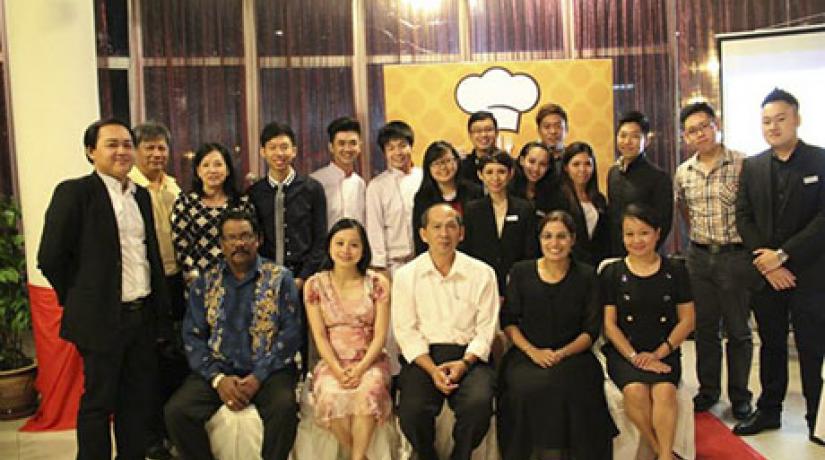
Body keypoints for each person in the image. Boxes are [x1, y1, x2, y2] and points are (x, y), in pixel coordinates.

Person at [37, 118, 171, 460]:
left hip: (141, 317)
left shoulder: (140, 196)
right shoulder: (75, 193)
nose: (122, 151)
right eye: (112, 144)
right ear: (90, 151)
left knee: (136, 403)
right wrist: (82, 298)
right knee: (98, 403)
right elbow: (51, 258)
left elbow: (149, 255)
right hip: (101, 319)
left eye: (127, 144)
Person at [164, 210, 303, 460]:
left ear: (257, 239)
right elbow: (192, 337)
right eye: (231, 238)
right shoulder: (205, 283)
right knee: (177, 412)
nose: (239, 243)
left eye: (245, 236)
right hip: (219, 368)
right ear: (221, 244)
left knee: (283, 408)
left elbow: (290, 335)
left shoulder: (281, 279)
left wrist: (258, 377)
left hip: (269, 370)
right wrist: (218, 379)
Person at [733, 89, 825, 446]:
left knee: (811, 346)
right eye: (766, 121)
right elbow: (744, 216)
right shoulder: (753, 166)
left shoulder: (820, 160)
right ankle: (769, 410)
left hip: (812, 274)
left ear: (797, 118)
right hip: (767, 276)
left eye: (780, 119)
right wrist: (769, 264)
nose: (773, 127)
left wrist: (783, 255)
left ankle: (817, 417)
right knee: (770, 344)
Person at [498, 211, 617, 460]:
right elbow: (509, 322)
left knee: (571, 388)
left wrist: (562, 353)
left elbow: (590, 330)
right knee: (522, 389)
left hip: (575, 354)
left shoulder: (587, 275)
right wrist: (533, 352)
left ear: (573, 239)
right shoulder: (520, 272)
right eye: (548, 236)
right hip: (527, 353)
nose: (555, 243)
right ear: (539, 240)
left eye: (562, 236)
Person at [393, 203, 499, 460]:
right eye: (436, 227)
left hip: (469, 357)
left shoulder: (482, 273)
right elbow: (406, 332)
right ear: (423, 234)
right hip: (424, 358)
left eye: (451, 226)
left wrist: (465, 363)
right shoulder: (406, 275)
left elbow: (487, 330)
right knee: (412, 411)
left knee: (478, 405)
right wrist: (432, 369)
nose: (444, 233)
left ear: (461, 233)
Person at [673, 102, 753, 420]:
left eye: (704, 126)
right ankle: (708, 390)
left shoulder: (743, 164)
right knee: (705, 329)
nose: (699, 134)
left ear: (716, 124)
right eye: (692, 130)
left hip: (735, 256)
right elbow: (684, 211)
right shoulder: (683, 172)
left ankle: (740, 396)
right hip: (699, 256)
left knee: (738, 330)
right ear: (685, 136)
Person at [600, 204, 695, 460]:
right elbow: (609, 324)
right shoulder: (611, 272)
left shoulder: (675, 270)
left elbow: (687, 320)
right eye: (629, 234)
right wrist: (634, 356)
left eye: (644, 233)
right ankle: (659, 449)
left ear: (657, 234)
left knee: (664, 391)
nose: (636, 240)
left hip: (664, 349)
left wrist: (659, 353)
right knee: (635, 391)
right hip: (625, 352)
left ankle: (664, 455)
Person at [304, 219, 392, 460]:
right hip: (332, 363)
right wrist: (337, 369)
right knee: (330, 395)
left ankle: (356, 457)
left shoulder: (377, 283)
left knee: (368, 392)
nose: (346, 250)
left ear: (363, 249)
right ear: (329, 247)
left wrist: (361, 368)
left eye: (354, 244)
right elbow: (319, 336)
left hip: (370, 361)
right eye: (340, 243)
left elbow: (380, 335)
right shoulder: (314, 285)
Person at [128, 121, 186, 460]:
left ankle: (170, 430)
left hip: (175, 281)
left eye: (161, 147)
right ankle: (150, 436)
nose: (156, 153)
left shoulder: (174, 188)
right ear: (137, 152)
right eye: (148, 147)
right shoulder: (131, 189)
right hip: (145, 285)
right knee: (146, 362)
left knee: (174, 357)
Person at [248, 121, 327, 292]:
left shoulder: (313, 189)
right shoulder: (254, 193)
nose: (279, 153)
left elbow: (320, 239)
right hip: (265, 279)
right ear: (263, 152)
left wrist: (303, 278)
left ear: (294, 151)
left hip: (307, 279)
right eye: (272, 147)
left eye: (284, 147)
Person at [171, 142, 255, 283]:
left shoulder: (241, 202)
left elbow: (252, 241)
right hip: (199, 282)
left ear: (227, 170)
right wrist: (195, 277)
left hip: (240, 279)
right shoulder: (185, 203)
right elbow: (181, 245)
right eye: (206, 165)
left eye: (218, 164)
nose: (212, 170)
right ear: (198, 171)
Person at [461, 151, 537, 294]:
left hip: (516, 282)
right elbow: (467, 248)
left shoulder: (524, 208)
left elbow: (530, 251)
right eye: (489, 172)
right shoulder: (472, 209)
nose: (495, 178)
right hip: (480, 282)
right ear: (480, 175)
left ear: (510, 173)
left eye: (501, 172)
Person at [606, 111, 673, 256]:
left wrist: (643, 252)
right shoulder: (613, 173)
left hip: (645, 254)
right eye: (623, 135)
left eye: (635, 136)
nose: (627, 141)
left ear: (646, 141)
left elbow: (664, 224)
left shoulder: (659, 178)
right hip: (616, 254)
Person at [365, 120, 423, 276]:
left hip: (424, 259)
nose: (398, 152)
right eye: (391, 148)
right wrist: (380, 267)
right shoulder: (376, 186)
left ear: (411, 146)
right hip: (393, 265)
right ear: (384, 152)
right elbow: (374, 228)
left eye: (402, 145)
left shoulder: (423, 177)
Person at [412, 141, 483, 255]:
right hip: (436, 260)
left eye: (447, 161)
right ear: (428, 168)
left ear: (457, 161)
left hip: (472, 259)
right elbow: (420, 238)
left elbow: (481, 232)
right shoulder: (423, 198)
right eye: (437, 163)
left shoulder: (474, 191)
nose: (443, 167)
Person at [548, 142, 610, 266]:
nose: (582, 169)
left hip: (594, 265)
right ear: (566, 167)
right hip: (566, 264)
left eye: (588, 164)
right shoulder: (556, 198)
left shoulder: (599, 199)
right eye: (576, 164)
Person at [311, 117, 366, 229]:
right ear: (331, 147)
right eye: (341, 143)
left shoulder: (361, 184)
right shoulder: (315, 182)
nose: (347, 149)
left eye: (353, 143)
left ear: (359, 146)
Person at [508, 141, 556, 218]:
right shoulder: (507, 189)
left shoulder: (554, 193)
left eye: (542, 164)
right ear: (522, 160)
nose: (536, 169)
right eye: (532, 162)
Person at [458, 111, 499, 187]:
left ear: (497, 132)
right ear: (470, 135)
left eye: (488, 130)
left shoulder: (509, 165)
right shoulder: (461, 167)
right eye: (478, 131)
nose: (483, 135)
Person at [535, 103, 569, 178]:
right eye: (547, 127)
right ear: (539, 130)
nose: (553, 131)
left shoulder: (573, 159)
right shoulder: (531, 159)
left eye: (558, 126)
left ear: (566, 129)